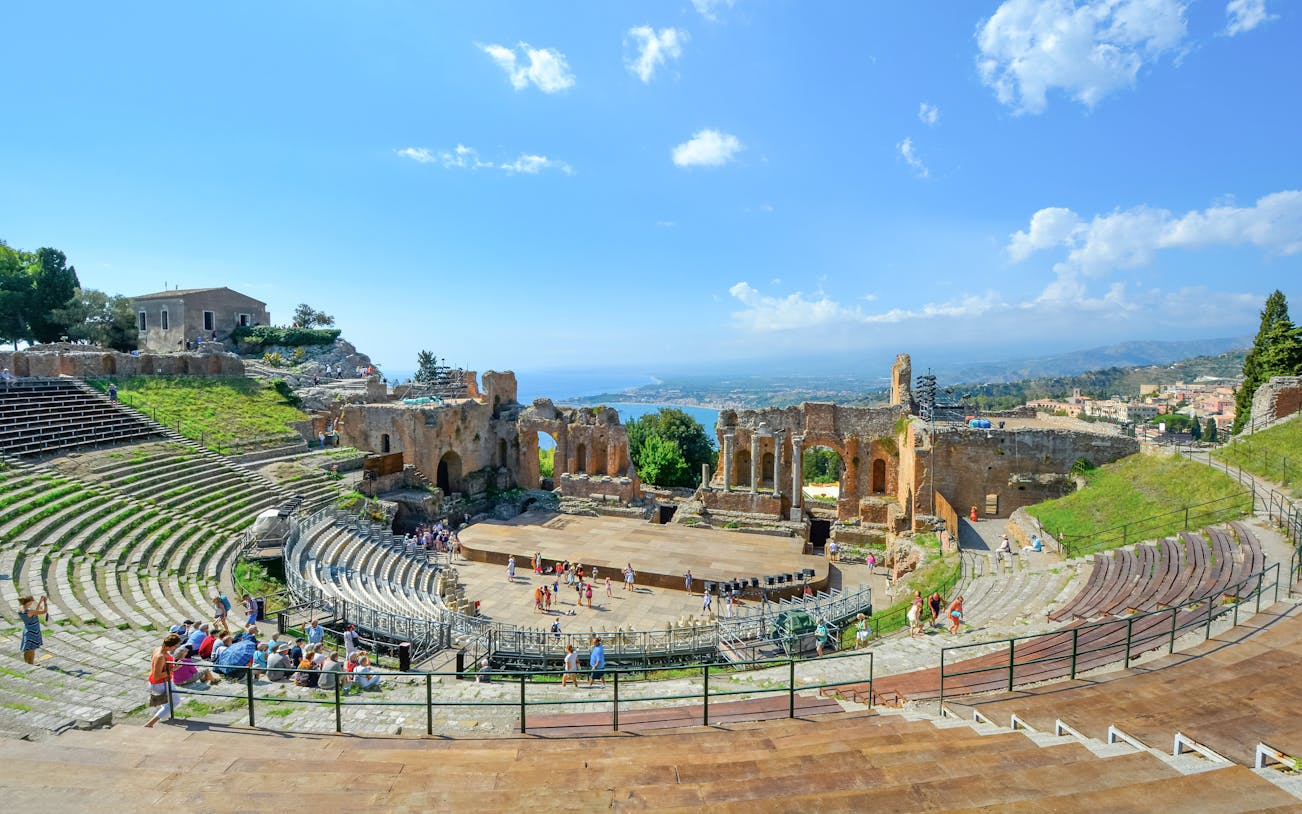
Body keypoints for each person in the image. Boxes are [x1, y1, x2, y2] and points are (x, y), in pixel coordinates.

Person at [145, 633, 182, 728]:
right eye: (175, 646)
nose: (175, 648)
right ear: (170, 645)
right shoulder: (161, 656)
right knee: (175, 701)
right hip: (160, 683)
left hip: (159, 682)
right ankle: (150, 723)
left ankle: (163, 716)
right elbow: (157, 676)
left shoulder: (157, 649)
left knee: (166, 702)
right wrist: (173, 669)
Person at [18, 595, 48, 664]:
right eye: (31, 602)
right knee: (31, 649)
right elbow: (44, 611)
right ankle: (31, 664)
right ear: (28, 602)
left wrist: (40, 601)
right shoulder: (29, 611)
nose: (32, 603)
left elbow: (35, 612)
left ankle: (26, 663)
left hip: (27, 629)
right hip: (33, 631)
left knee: (27, 649)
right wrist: (45, 602)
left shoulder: (21, 609)